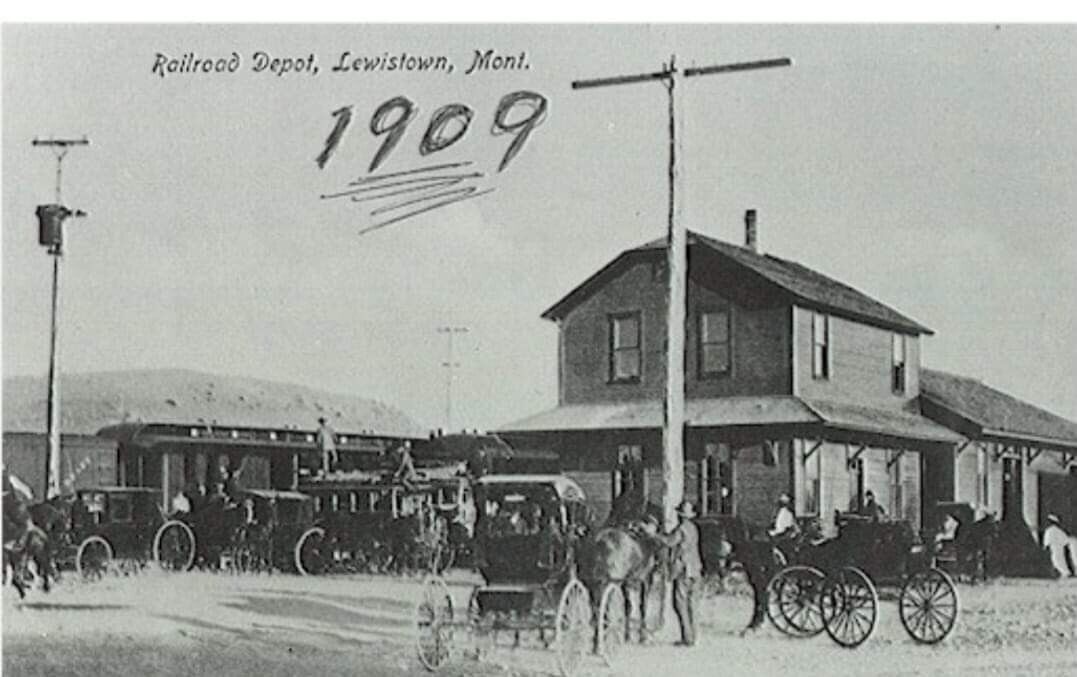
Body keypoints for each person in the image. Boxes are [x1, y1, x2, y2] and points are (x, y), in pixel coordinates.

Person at [665, 501, 702, 647]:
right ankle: (694, 636)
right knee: (693, 604)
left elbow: (669, 542)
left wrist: (652, 535)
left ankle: (687, 638)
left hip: (684, 570)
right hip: (696, 569)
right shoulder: (693, 528)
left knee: (680, 604)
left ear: (680, 515)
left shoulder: (680, 530)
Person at [1042, 514, 1073, 578]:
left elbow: (1048, 539)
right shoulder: (1058, 530)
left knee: (1057, 560)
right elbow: (1065, 539)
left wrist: (1046, 546)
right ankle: (1063, 572)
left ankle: (1066, 573)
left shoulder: (1050, 530)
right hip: (1059, 548)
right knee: (1058, 559)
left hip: (1056, 547)